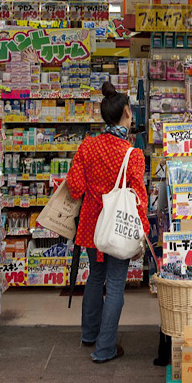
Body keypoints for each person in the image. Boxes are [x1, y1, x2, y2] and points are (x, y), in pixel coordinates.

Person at [67, 82, 149, 364]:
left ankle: (89, 335)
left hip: (92, 226)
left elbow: (75, 187)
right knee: (114, 286)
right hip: (119, 227)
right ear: (127, 112)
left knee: (95, 278)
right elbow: (139, 197)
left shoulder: (87, 146)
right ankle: (104, 348)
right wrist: (143, 234)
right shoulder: (131, 154)